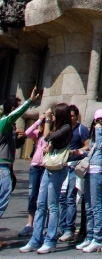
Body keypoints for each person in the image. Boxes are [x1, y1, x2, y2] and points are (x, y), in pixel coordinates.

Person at [20, 101, 72, 255]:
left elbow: (47, 137)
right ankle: (35, 239)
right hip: (48, 167)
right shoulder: (59, 127)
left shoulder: (66, 128)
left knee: (53, 205)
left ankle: (50, 240)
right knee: (40, 203)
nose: (52, 116)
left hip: (58, 169)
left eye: (55, 114)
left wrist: (47, 119)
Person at [0, 85, 40, 244]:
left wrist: (20, 139)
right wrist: (30, 101)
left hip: (6, 168)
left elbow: (12, 146)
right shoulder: (4, 122)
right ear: (11, 108)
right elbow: (15, 114)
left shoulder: (8, 126)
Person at [78, 109, 102, 252]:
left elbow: (101, 146)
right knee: (88, 205)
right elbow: (93, 150)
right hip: (89, 170)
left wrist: (99, 130)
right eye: (97, 120)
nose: (99, 123)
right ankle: (89, 236)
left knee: (96, 205)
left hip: (98, 172)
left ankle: (98, 239)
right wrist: (81, 152)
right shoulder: (94, 135)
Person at [57, 105, 89, 243]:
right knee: (62, 198)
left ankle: (69, 228)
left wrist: (75, 151)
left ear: (76, 116)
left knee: (71, 197)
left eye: (72, 116)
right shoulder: (64, 129)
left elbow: (87, 146)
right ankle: (61, 227)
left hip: (74, 166)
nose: (70, 118)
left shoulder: (82, 129)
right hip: (62, 165)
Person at [19, 109, 52, 238]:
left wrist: (48, 121)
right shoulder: (38, 133)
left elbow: (49, 139)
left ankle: (44, 224)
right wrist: (39, 120)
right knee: (32, 195)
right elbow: (25, 133)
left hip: (45, 166)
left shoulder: (51, 134)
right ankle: (29, 224)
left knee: (44, 196)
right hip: (35, 166)